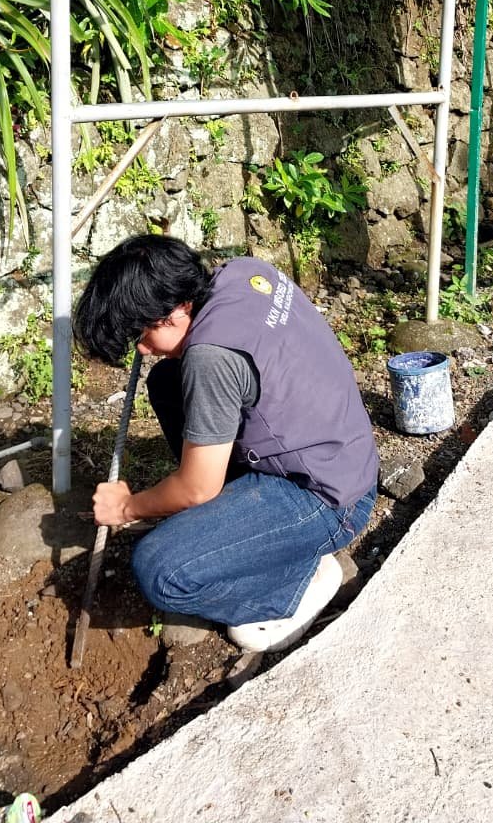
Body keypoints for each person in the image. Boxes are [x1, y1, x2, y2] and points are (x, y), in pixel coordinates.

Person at [72, 235, 379, 651]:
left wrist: (126, 507)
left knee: (160, 571)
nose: (141, 350)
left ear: (175, 309)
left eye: (141, 335)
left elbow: (198, 489)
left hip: (329, 500)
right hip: (341, 454)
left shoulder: (212, 358)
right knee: (167, 381)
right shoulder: (242, 273)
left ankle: (296, 584)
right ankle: (241, 528)